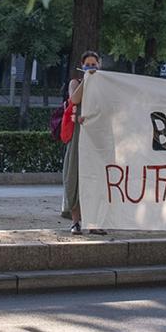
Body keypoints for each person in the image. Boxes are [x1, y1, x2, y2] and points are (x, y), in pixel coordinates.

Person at [62, 51, 104, 235]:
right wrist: (88, 79)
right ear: (82, 65)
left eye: (94, 64)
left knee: (96, 179)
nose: (91, 67)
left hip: (96, 137)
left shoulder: (105, 86)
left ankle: (94, 222)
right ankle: (76, 222)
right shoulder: (75, 83)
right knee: (75, 177)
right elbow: (74, 100)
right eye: (88, 64)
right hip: (78, 136)